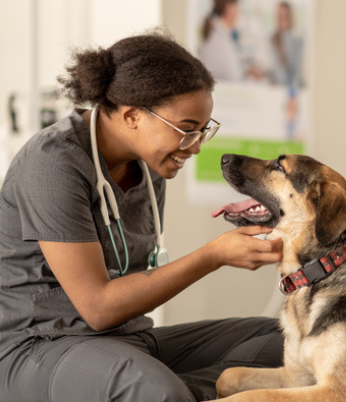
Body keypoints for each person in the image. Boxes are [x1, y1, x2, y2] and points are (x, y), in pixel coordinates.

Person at [0, 31, 285, 402]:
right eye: (186, 130)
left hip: (127, 340)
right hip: (39, 347)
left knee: (286, 339)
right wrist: (213, 256)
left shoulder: (150, 167)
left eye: (203, 131)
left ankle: (181, 394)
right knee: (151, 388)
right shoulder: (53, 163)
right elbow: (99, 308)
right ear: (133, 115)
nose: (195, 147)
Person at [269, 0, 304, 88]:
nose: (283, 20)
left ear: (291, 17)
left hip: (292, 91)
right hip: (276, 90)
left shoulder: (297, 41)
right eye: (280, 16)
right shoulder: (271, 41)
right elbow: (274, 72)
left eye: (285, 16)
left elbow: (297, 71)